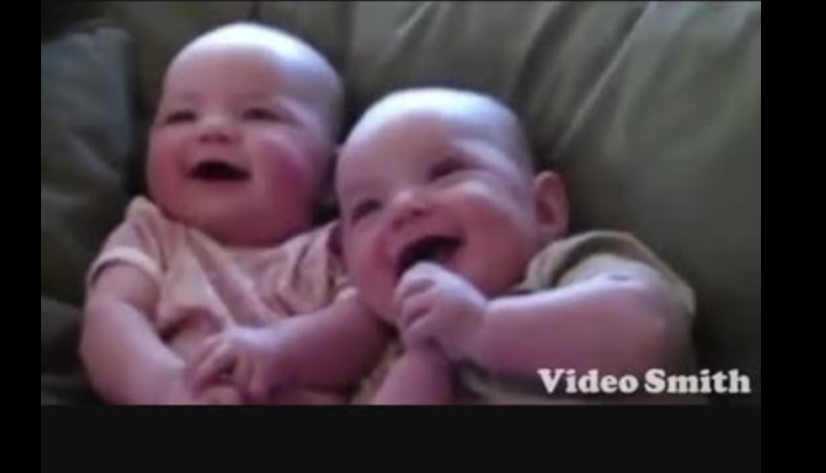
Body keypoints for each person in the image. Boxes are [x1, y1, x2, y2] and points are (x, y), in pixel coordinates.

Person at [189, 87, 700, 405]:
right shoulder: (391, 348)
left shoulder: (564, 270)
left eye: (447, 173)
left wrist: (480, 329)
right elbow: (327, 346)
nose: (404, 207)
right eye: (368, 208)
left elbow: (648, 331)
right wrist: (426, 362)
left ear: (544, 210)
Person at [78, 22, 353, 405]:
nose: (212, 129)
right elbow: (111, 316)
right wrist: (168, 388)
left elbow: (369, 323)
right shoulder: (151, 233)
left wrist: (284, 353)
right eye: (182, 116)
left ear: (333, 176)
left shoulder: (341, 246)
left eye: (258, 114)